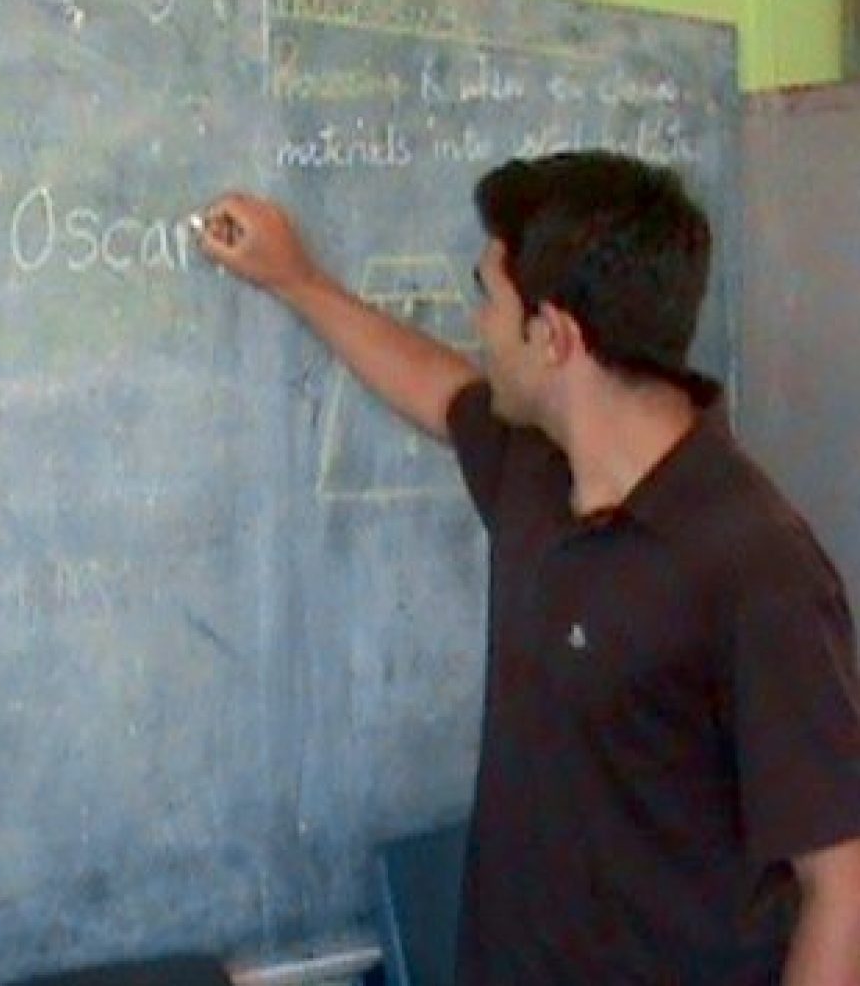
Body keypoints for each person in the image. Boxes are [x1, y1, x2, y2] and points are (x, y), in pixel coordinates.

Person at [195, 151, 860, 985]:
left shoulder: (758, 569)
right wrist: (297, 280)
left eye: (488, 297)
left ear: (555, 337)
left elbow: (841, 887)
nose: (475, 325)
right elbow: (437, 390)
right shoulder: (539, 475)